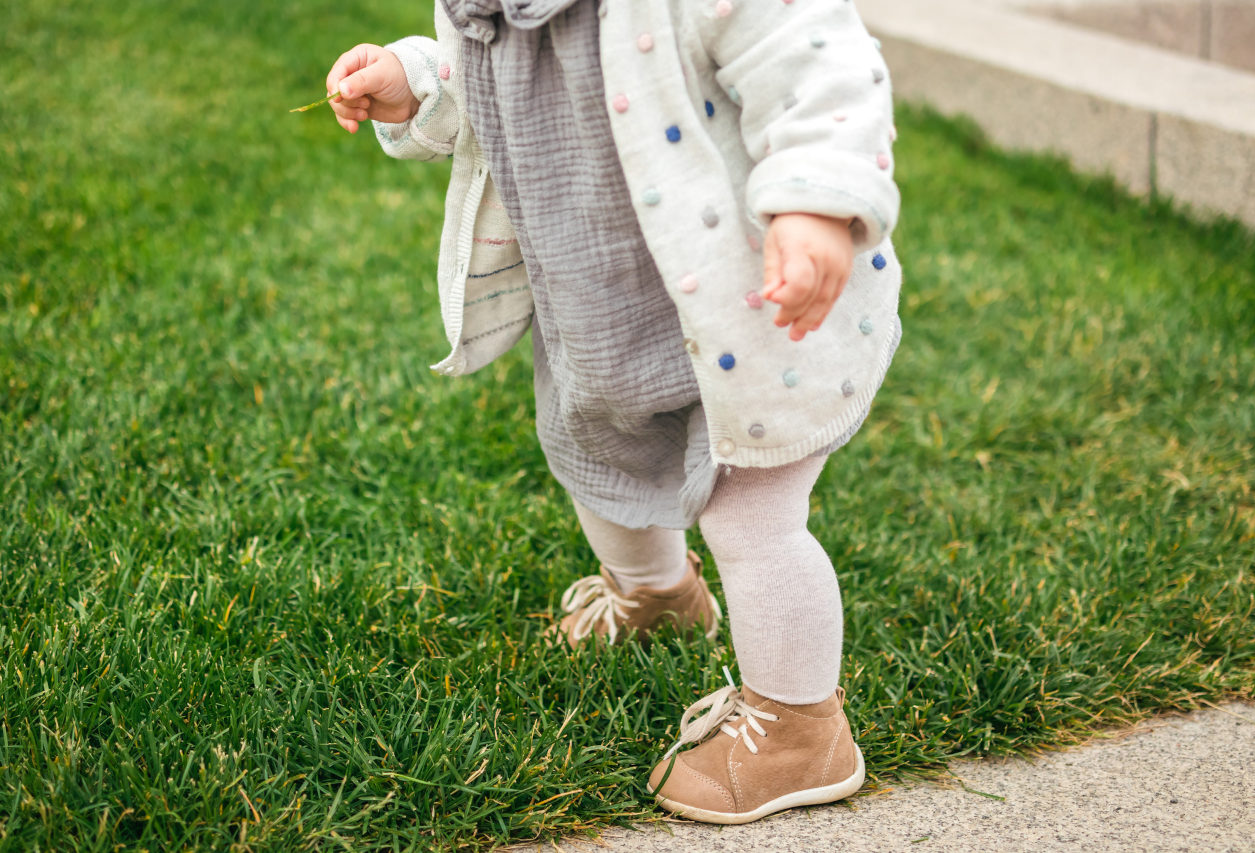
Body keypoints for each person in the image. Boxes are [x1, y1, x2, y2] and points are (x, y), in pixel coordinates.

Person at [324, 0, 901, 825]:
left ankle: (800, 727)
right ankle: (657, 594)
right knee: (590, 453)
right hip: (599, 304)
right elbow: (488, 84)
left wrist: (815, 205)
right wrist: (413, 82)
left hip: (748, 298)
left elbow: (816, 63)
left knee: (750, 511)